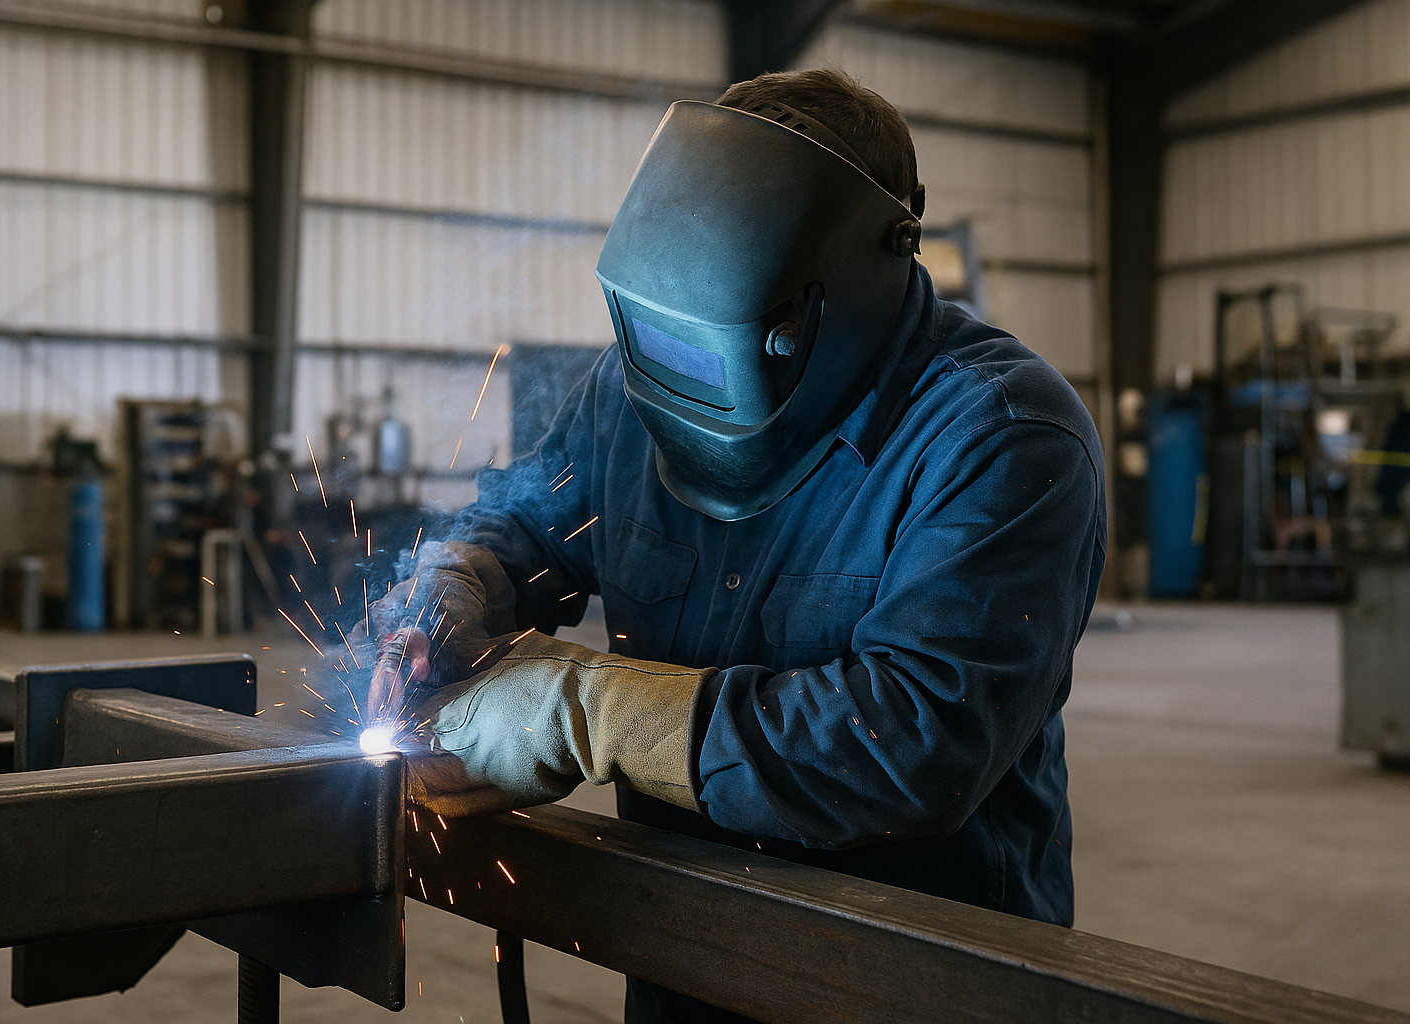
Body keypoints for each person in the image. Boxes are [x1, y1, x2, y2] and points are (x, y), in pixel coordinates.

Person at [363, 67, 1106, 1024]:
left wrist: (590, 711)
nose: (686, 387)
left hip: (916, 977)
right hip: (685, 959)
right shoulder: (633, 385)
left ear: (858, 272)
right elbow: (527, 526)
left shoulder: (1001, 436)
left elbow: (918, 740)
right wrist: (459, 585)